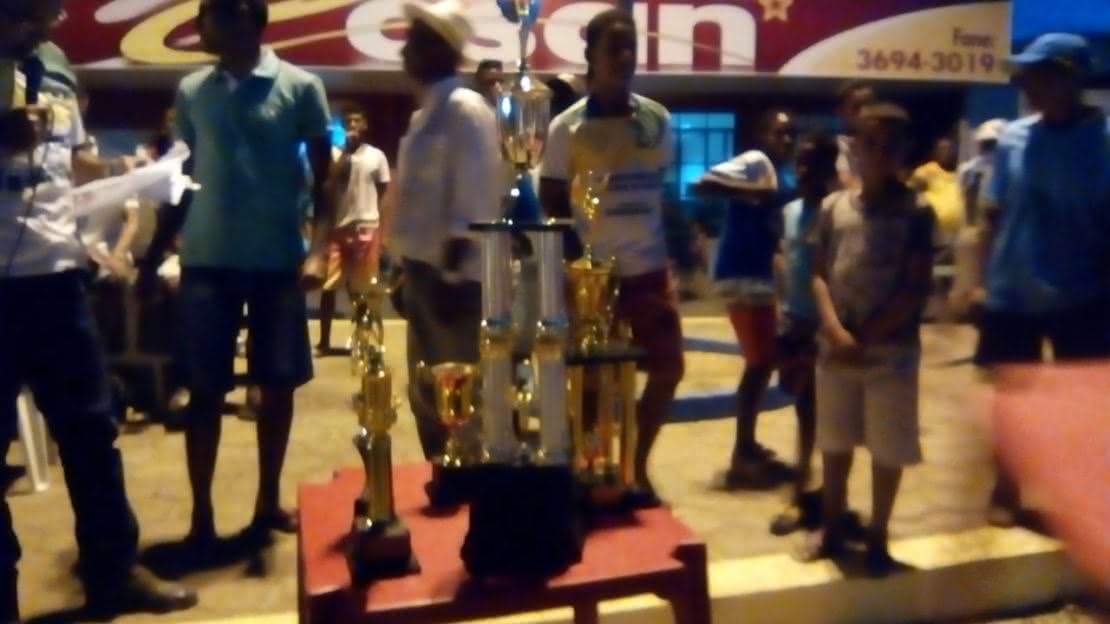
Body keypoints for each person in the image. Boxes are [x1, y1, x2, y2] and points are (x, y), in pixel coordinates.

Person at [0, 0, 196, 617]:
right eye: (27, 16)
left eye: (49, 15)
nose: (41, 29)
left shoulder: (56, 64)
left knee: (92, 433)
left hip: (58, 278)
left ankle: (113, 574)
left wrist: (123, 169)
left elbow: (74, 158)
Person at [138, 0, 334, 548]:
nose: (200, 28)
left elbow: (326, 180)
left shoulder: (300, 87)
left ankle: (267, 501)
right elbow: (182, 177)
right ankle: (201, 515)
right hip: (206, 261)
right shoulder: (192, 91)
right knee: (203, 391)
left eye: (210, 15)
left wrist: (319, 250)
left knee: (276, 387)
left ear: (246, 18)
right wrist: (152, 257)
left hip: (277, 261)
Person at [540, 8, 683, 497]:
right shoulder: (567, 127)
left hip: (650, 270)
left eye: (631, 48)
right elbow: (552, 196)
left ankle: (635, 467)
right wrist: (581, 263)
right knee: (591, 383)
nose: (624, 57)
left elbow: (658, 189)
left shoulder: (657, 119)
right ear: (591, 56)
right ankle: (592, 473)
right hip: (593, 280)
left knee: (668, 370)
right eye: (613, 48)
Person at [973, 34, 1110, 528]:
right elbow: (992, 215)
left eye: (1037, 74)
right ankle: (1006, 488)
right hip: (1012, 291)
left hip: (1083, 294)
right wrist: (979, 283)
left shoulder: (1104, 141)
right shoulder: (1013, 138)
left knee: (1082, 400)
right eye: (1024, 74)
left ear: (1071, 77)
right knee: (1011, 399)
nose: (1025, 84)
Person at [801, 102, 936, 575]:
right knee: (835, 441)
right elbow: (819, 274)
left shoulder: (917, 212)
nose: (879, 153)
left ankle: (878, 534)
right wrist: (835, 331)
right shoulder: (834, 208)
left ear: (905, 151)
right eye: (870, 143)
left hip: (891, 351)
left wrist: (868, 334)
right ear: (855, 147)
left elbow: (915, 286)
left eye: (889, 146)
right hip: (837, 348)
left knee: (887, 446)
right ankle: (832, 526)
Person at [391, 0, 501, 461]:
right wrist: (405, 271)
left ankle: (470, 480)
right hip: (423, 274)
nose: (404, 51)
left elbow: (475, 198)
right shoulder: (424, 116)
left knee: (460, 392)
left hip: (455, 281)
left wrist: (451, 277)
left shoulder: (466, 109)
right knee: (426, 390)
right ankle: (444, 474)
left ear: (442, 51)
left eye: (415, 41)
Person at [693, 109, 797, 488]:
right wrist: (752, 194)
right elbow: (703, 185)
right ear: (762, 135)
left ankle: (747, 445)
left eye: (789, 134)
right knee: (759, 364)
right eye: (777, 133)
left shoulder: (779, 172)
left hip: (757, 274)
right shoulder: (756, 162)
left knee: (761, 364)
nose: (785, 140)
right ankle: (742, 450)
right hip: (742, 274)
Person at [768, 133, 841, 535]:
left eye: (812, 164)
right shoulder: (791, 211)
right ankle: (806, 485)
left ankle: (814, 493)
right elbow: (784, 257)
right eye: (799, 162)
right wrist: (781, 306)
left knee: (824, 411)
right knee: (803, 407)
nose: (803, 171)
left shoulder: (837, 211)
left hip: (825, 326)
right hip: (795, 321)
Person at [317, 101, 391, 355]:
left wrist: (383, 229)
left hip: (367, 226)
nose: (353, 126)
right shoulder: (336, 155)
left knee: (364, 290)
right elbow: (328, 184)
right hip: (340, 227)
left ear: (365, 125)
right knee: (329, 286)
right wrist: (344, 152)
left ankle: (364, 340)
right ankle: (324, 341)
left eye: (357, 121)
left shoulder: (376, 156)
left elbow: (383, 192)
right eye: (348, 122)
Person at [910, 135, 965, 239]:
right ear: (936, 152)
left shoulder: (958, 173)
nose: (946, 152)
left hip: (955, 235)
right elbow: (912, 191)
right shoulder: (928, 170)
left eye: (949, 149)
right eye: (942, 149)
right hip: (934, 233)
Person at [834, 81, 876, 188]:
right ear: (841, 111)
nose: (864, 112)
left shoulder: (884, 148)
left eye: (869, 106)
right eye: (857, 107)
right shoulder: (833, 148)